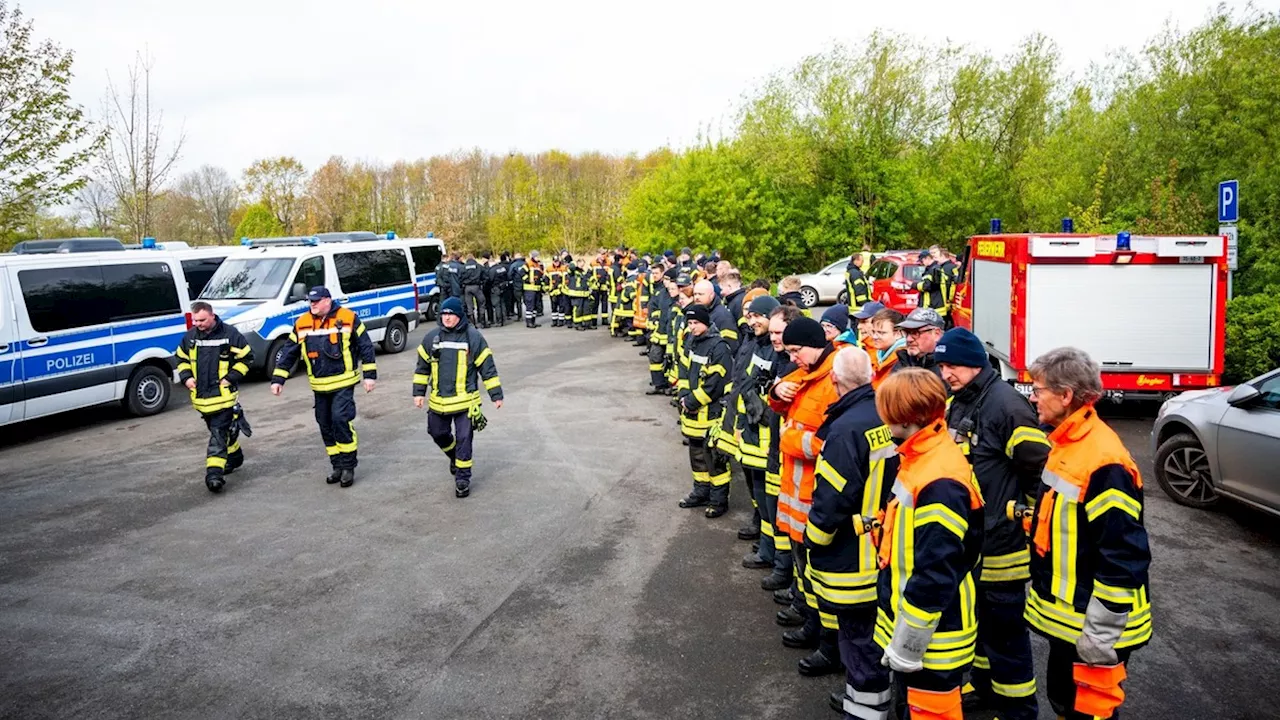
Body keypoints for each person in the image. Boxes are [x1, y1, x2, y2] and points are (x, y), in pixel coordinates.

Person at [1025, 347, 1152, 720]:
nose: (1033, 396)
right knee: (1065, 702)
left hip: (1095, 628)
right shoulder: (1069, 441)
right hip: (1071, 622)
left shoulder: (1105, 462)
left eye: (1039, 389)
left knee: (1089, 712)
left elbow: (1124, 555)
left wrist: (1100, 633)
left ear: (1066, 396)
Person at [937, 328, 1050, 720]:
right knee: (984, 625)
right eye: (941, 365)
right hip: (977, 539)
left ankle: (1018, 710)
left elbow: (1037, 467)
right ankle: (985, 689)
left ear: (975, 364)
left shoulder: (1007, 406)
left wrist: (1028, 520)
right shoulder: (964, 399)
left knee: (1006, 634)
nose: (945, 372)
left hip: (1002, 544)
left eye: (951, 364)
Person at [873, 368, 983, 719]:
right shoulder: (924, 456)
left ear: (907, 417)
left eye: (888, 413)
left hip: (935, 634)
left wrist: (909, 643)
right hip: (923, 623)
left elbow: (937, 569)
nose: (884, 422)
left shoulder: (939, 479)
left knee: (931, 711)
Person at [803, 346, 899, 720]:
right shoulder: (885, 414)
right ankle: (867, 696)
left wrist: (814, 540)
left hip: (852, 556)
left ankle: (864, 710)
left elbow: (831, 501)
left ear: (834, 380)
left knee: (859, 640)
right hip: (885, 548)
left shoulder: (844, 430)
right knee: (876, 633)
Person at [769, 316, 842, 678]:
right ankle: (814, 626)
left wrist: (787, 438)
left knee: (822, 575)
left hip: (817, 497)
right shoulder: (811, 371)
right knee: (807, 572)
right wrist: (776, 391)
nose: (792, 357)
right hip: (800, 494)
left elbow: (830, 442)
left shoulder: (834, 378)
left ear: (815, 344)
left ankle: (829, 644)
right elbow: (786, 396)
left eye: (796, 350)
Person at [271, 286, 377, 488]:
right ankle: (336, 465)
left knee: (340, 420)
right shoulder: (302, 323)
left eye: (316, 301)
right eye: (310, 301)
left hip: (344, 382)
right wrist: (278, 379)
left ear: (328, 300)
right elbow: (289, 351)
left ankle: (348, 467)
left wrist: (369, 376)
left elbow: (365, 345)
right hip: (319, 386)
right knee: (325, 424)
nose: (312, 304)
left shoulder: (348, 317)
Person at [413, 297, 503, 498]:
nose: (446, 318)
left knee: (464, 439)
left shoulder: (473, 337)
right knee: (437, 433)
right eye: (444, 314)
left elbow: (487, 368)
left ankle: (462, 479)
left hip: (466, 401)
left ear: (459, 316)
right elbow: (422, 368)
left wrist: (495, 395)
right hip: (438, 401)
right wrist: (418, 393)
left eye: (450, 314)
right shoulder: (431, 338)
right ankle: (453, 457)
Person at [176, 301, 254, 493]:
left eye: (202, 320)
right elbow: (181, 358)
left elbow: (247, 357)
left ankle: (214, 475)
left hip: (224, 399)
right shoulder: (190, 337)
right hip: (202, 400)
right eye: (195, 320)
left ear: (212, 315)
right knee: (219, 432)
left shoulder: (230, 334)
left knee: (217, 436)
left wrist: (230, 378)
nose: (198, 324)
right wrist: (186, 378)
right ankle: (235, 457)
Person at [733, 294, 782, 569]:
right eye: (749, 316)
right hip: (752, 437)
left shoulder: (776, 351)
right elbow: (746, 385)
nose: (751, 321)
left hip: (767, 442)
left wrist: (759, 409)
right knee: (761, 500)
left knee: (768, 501)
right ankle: (767, 547)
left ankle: (770, 553)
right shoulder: (758, 345)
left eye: (756, 317)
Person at [676, 304, 734, 518]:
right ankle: (701, 493)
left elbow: (716, 384)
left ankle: (719, 501)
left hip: (711, 415)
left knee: (714, 460)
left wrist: (691, 401)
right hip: (692, 415)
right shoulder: (691, 342)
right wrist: (683, 394)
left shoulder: (718, 347)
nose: (692, 327)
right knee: (697, 457)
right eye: (689, 323)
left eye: (696, 323)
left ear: (706, 323)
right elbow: (682, 368)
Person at [762, 305, 803, 594]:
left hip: (792, 454)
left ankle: (786, 572)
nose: (774, 338)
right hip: (777, 448)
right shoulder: (782, 359)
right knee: (777, 512)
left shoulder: (794, 365)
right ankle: (781, 566)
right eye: (772, 332)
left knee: (788, 518)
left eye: (778, 333)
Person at [894, 307, 945, 377]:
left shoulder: (948, 369)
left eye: (915, 333)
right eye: (906, 332)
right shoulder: (903, 361)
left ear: (936, 334)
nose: (909, 339)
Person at [693, 279, 739, 354]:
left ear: (711, 295)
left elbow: (730, 346)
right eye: (695, 294)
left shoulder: (723, 317)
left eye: (700, 294)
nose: (697, 297)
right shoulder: (700, 312)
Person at [869, 308, 906, 389]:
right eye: (873, 332)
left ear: (898, 334)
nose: (874, 337)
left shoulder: (903, 362)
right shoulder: (880, 356)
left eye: (881, 333)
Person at [915, 251, 948, 323]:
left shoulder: (932, 270)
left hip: (934, 306)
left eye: (922, 260)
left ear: (927, 258)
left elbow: (927, 286)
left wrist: (915, 285)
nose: (921, 263)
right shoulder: (935, 268)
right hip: (936, 305)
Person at [518, 251, 546, 328]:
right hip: (529, 289)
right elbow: (521, 273)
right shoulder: (528, 264)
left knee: (535, 307)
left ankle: (533, 321)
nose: (538, 258)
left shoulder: (538, 265)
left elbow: (541, 275)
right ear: (533, 257)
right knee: (530, 306)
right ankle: (529, 322)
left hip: (537, 289)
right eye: (536, 256)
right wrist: (528, 280)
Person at [456, 253, 483, 328]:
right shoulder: (478, 266)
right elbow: (484, 275)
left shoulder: (463, 267)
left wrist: (463, 285)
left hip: (467, 288)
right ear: (474, 258)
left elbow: (459, 278)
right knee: (481, 303)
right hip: (477, 286)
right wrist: (482, 282)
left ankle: (473, 323)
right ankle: (482, 321)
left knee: (469, 306)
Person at [844, 252, 871, 325]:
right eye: (861, 261)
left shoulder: (850, 271)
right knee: (858, 328)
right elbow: (859, 291)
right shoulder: (856, 274)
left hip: (853, 306)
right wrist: (866, 305)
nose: (862, 263)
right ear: (856, 261)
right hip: (858, 307)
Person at [488, 254, 511, 327]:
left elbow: (490, 280)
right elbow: (507, 276)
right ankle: (504, 319)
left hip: (495, 288)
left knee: (497, 305)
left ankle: (499, 321)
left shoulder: (492, 270)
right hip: (503, 287)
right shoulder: (502, 268)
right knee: (503, 303)